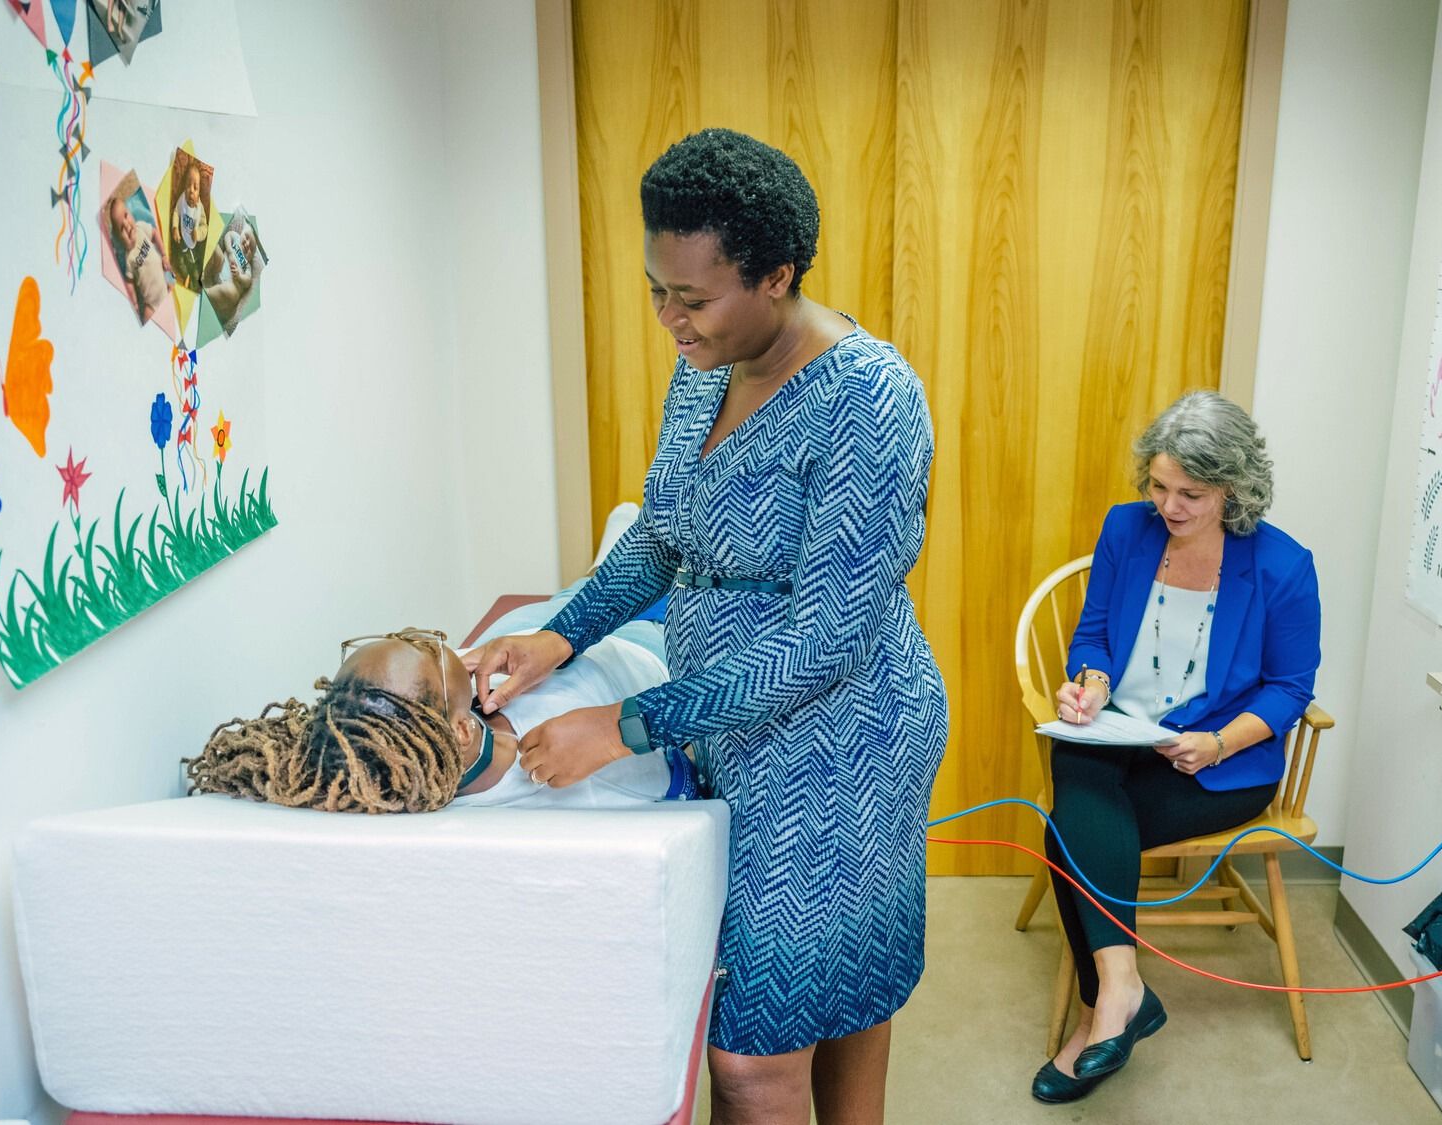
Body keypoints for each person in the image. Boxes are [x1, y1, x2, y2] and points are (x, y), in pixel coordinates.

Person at [468, 128, 947, 1125]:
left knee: (750, 1053)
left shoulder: (868, 400)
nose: (668, 320)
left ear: (775, 275)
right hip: (729, 728)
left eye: (691, 296)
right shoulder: (706, 362)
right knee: (824, 982)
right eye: (655, 288)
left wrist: (629, 725)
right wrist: (561, 634)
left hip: (842, 742)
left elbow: (824, 640)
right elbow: (661, 533)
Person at [1031, 390, 1321, 1104]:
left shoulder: (1282, 566)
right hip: (1122, 736)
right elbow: (1094, 632)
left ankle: (1104, 1010)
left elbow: (1290, 689)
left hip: (1219, 762)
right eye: (1160, 486)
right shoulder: (1126, 531)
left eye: (1191, 493)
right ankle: (1122, 989)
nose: (1170, 506)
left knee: (1071, 824)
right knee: (1077, 761)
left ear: (1236, 488)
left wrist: (1218, 741)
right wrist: (1091, 685)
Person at [187, 617, 688, 813]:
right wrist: (616, 731)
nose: (420, 636)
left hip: (540, 631)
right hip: (652, 648)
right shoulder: (583, 783)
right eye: (429, 649)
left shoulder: (407, 721)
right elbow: (683, 772)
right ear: (463, 731)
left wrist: (554, 637)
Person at [108, 192, 171, 324]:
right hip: (151, 304)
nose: (127, 225)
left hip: (165, 284)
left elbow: (154, 233)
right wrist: (135, 303)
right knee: (146, 318)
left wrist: (164, 254)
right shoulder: (128, 258)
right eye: (121, 228)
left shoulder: (141, 228)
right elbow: (129, 282)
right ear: (119, 239)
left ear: (131, 213)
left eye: (126, 216)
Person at [170, 162, 209, 287]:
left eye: (195, 187)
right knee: (179, 260)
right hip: (182, 241)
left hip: (194, 247)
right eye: (188, 185)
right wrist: (175, 227)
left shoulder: (200, 209)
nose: (191, 190)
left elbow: (205, 227)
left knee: (195, 270)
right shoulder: (182, 200)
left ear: (199, 193)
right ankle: (185, 275)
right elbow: (176, 212)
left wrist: (198, 234)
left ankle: (193, 280)